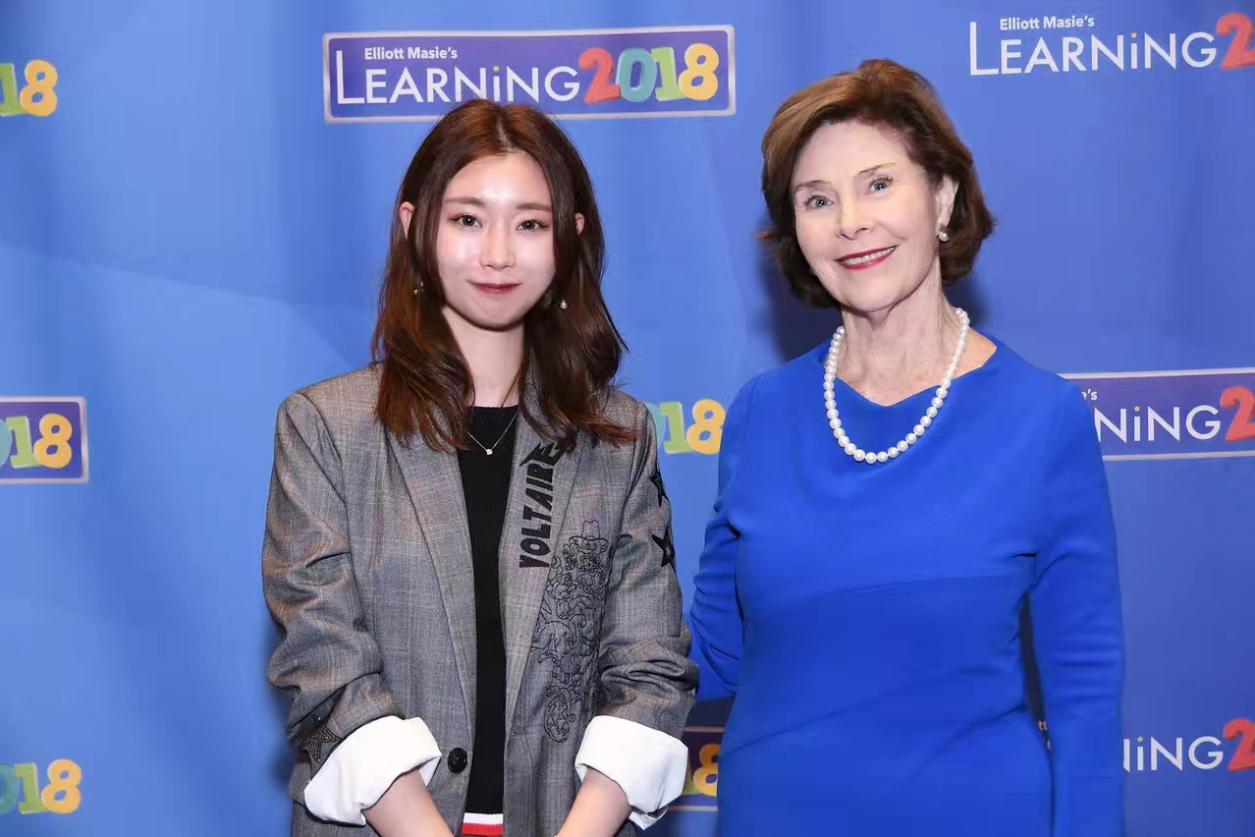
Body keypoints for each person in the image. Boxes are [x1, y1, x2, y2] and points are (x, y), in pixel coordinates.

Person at [687, 59, 1124, 836]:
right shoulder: (760, 413)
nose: (850, 220)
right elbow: (715, 656)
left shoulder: (1042, 417)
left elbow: (1084, 694)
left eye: (878, 184)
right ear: (795, 231)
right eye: (817, 200)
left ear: (943, 197)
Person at [263, 99, 696, 837]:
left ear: (569, 238)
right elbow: (325, 662)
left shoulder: (618, 437)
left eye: (528, 223)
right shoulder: (326, 428)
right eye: (467, 219)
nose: (497, 253)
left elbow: (649, 669)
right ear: (414, 227)